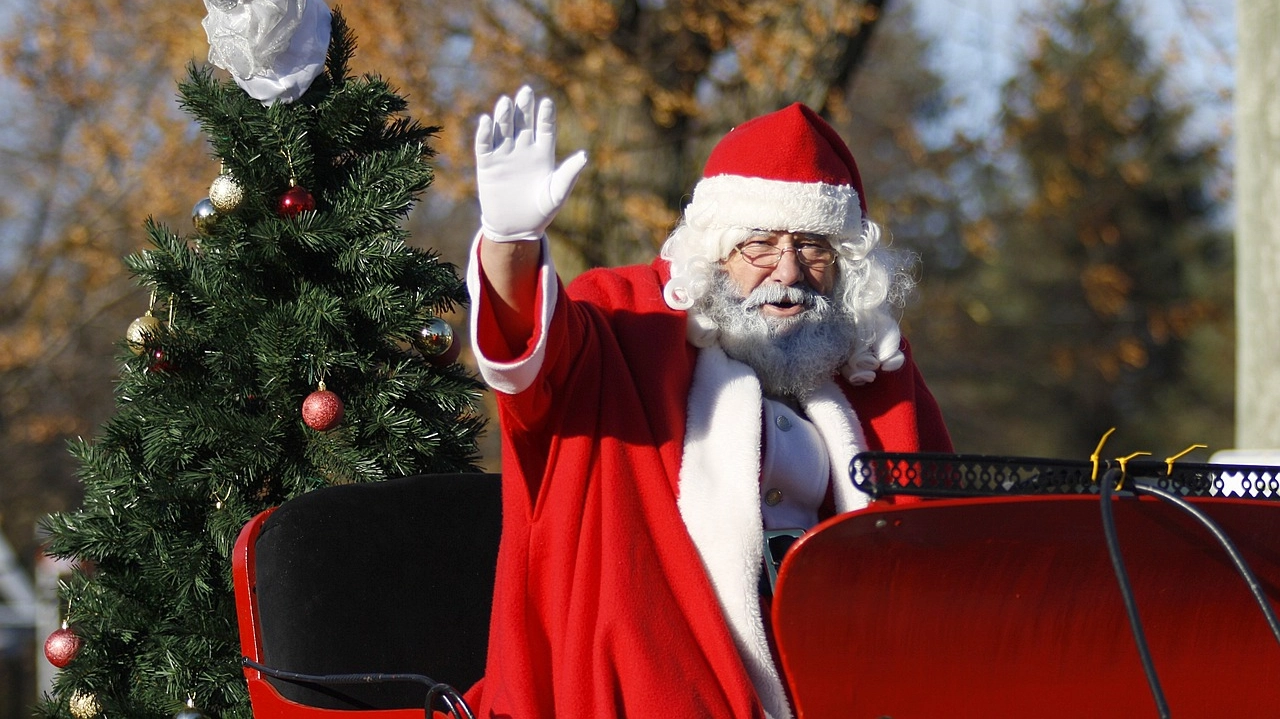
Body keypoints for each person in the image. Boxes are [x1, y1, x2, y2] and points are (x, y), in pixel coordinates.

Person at [464, 86, 953, 719]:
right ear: (715, 254)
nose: (788, 272)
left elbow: (950, 545)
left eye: (813, 247)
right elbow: (530, 360)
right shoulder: (629, 326)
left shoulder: (877, 375)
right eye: (759, 245)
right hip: (666, 686)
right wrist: (510, 242)